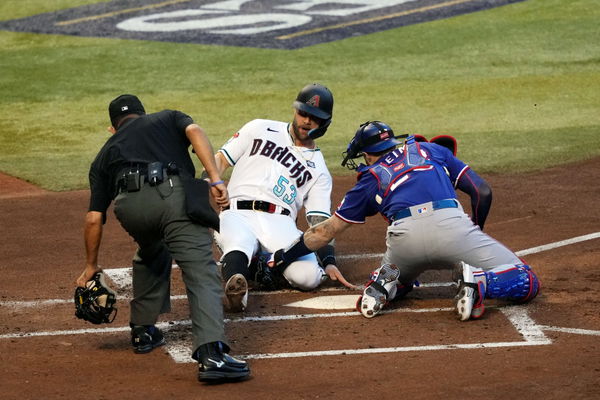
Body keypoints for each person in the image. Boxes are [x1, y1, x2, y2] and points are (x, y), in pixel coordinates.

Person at [268, 121, 540, 320]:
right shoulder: (429, 150)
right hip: (453, 229)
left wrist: (282, 257)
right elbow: (482, 192)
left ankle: (384, 283)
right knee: (526, 280)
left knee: (402, 275)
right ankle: (480, 283)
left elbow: (325, 232)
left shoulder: (370, 178)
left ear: (367, 153)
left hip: (403, 241)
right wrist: (472, 234)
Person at [75, 94, 250, 382]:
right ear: (143, 115)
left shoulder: (104, 154)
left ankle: (143, 331)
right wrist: (216, 178)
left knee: (152, 249)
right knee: (200, 268)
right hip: (171, 196)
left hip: (129, 209)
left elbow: (94, 217)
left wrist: (90, 266)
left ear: (112, 128)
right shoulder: (166, 117)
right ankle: (212, 356)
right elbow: (194, 131)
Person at [213, 83, 355, 312]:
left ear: (325, 124)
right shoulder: (259, 128)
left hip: (279, 222)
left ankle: (262, 267)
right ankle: (238, 289)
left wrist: (328, 261)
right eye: (303, 113)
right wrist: (214, 181)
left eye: (314, 118)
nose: (306, 121)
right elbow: (220, 160)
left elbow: (320, 223)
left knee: (307, 278)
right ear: (295, 111)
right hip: (237, 212)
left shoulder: (319, 171)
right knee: (239, 244)